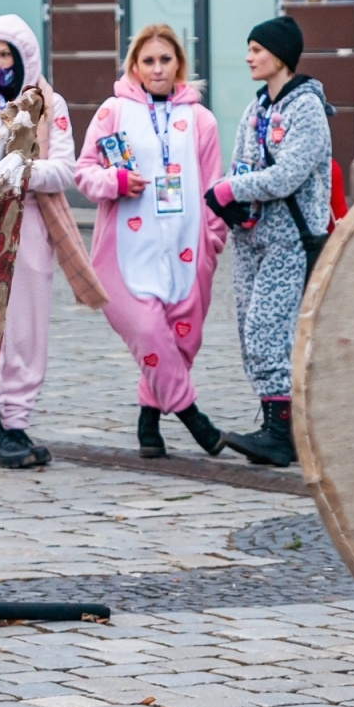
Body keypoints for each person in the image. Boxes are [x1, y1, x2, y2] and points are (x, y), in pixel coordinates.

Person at [0, 14, 104, 469]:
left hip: (31, 219)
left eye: (5, 55)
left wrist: (19, 171)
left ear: (23, 57)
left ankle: (14, 420)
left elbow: (64, 169)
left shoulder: (50, 103)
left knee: (27, 326)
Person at [75, 24, 227, 458]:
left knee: (180, 341)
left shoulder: (201, 119)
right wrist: (116, 181)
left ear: (179, 63)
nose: (157, 69)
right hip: (126, 252)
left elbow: (213, 185)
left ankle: (149, 420)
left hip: (187, 251)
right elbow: (84, 172)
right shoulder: (113, 112)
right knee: (147, 331)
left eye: (165, 60)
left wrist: (213, 239)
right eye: (148, 61)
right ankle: (193, 416)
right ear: (135, 67)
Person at [204, 16, 332, 468]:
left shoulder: (307, 109)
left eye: (257, 49)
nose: (248, 58)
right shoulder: (256, 109)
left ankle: (282, 436)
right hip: (251, 238)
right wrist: (231, 200)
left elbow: (288, 175)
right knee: (249, 333)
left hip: (290, 240)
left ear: (280, 55)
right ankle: (275, 425)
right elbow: (241, 165)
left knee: (268, 332)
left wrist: (229, 190)